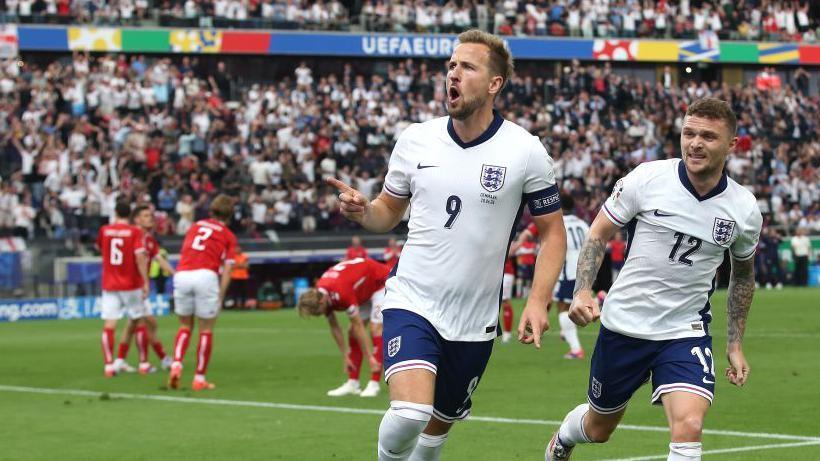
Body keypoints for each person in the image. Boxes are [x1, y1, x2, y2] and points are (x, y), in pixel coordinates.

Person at [328, 29, 566, 461]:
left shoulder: (525, 150)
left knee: (436, 433)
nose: (453, 75)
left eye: (467, 67)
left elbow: (553, 231)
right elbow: (387, 211)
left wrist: (537, 301)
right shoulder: (416, 139)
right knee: (410, 413)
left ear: (494, 83)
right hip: (413, 297)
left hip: (475, 318)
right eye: (451, 66)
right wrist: (365, 212)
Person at [546, 98, 762, 461]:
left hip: (683, 331)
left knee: (689, 425)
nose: (695, 143)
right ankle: (564, 439)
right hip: (625, 326)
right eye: (689, 133)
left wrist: (735, 343)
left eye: (708, 136)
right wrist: (583, 289)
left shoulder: (743, 209)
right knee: (599, 429)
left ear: (731, 145)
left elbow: (743, 276)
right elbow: (599, 233)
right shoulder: (647, 179)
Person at [168, 194, 237, 391]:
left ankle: (176, 364)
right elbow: (228, 269)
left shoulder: (195, 226)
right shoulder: (228, 235)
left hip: (182, 274)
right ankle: (199, 378)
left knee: (184, 326)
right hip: (206, 275)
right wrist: (220, 297)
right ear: (230, 214)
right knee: (206, 329)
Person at [297, 257, 390, 398]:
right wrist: (345, 354)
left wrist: (369, 357)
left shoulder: (341, 292)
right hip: (364, 290)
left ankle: (374, 383)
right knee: (352, 332)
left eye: (319, 312)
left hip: (380, 282)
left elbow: (359, 325)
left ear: (322, 302)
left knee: (375, 328)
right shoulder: (322, 294)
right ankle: (353, 383)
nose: (320, 314)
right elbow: (335, 327)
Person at [113, 205, 176, 374]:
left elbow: (160, 259)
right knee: (142, 322)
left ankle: (119, 361)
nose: (151, 218)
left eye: (151, 215)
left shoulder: (149, 239)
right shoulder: (132, 236)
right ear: (137, 219)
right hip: (132, 286)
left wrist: (175, 275)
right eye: (146, 215)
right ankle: (144, 363)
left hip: (138, 286)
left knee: (139, 324)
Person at [96, 200, 150, 377]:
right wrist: (145, 281)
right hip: (130, 283)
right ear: (130, 215)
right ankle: (143, 363)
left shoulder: (105, 230)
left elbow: (99, 248)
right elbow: (140, 257)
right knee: (139, 320)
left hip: (110, 283)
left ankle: (109, 366)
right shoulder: (134, 232)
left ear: (116, 213)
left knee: (109, 324)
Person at [553, 195, 590, 359]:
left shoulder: (559, 224)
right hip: (585, 270)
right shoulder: (582, 224)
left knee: (563, 309)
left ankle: (576, 349)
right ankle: (565, 332)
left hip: (569, 271)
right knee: (566, 306)